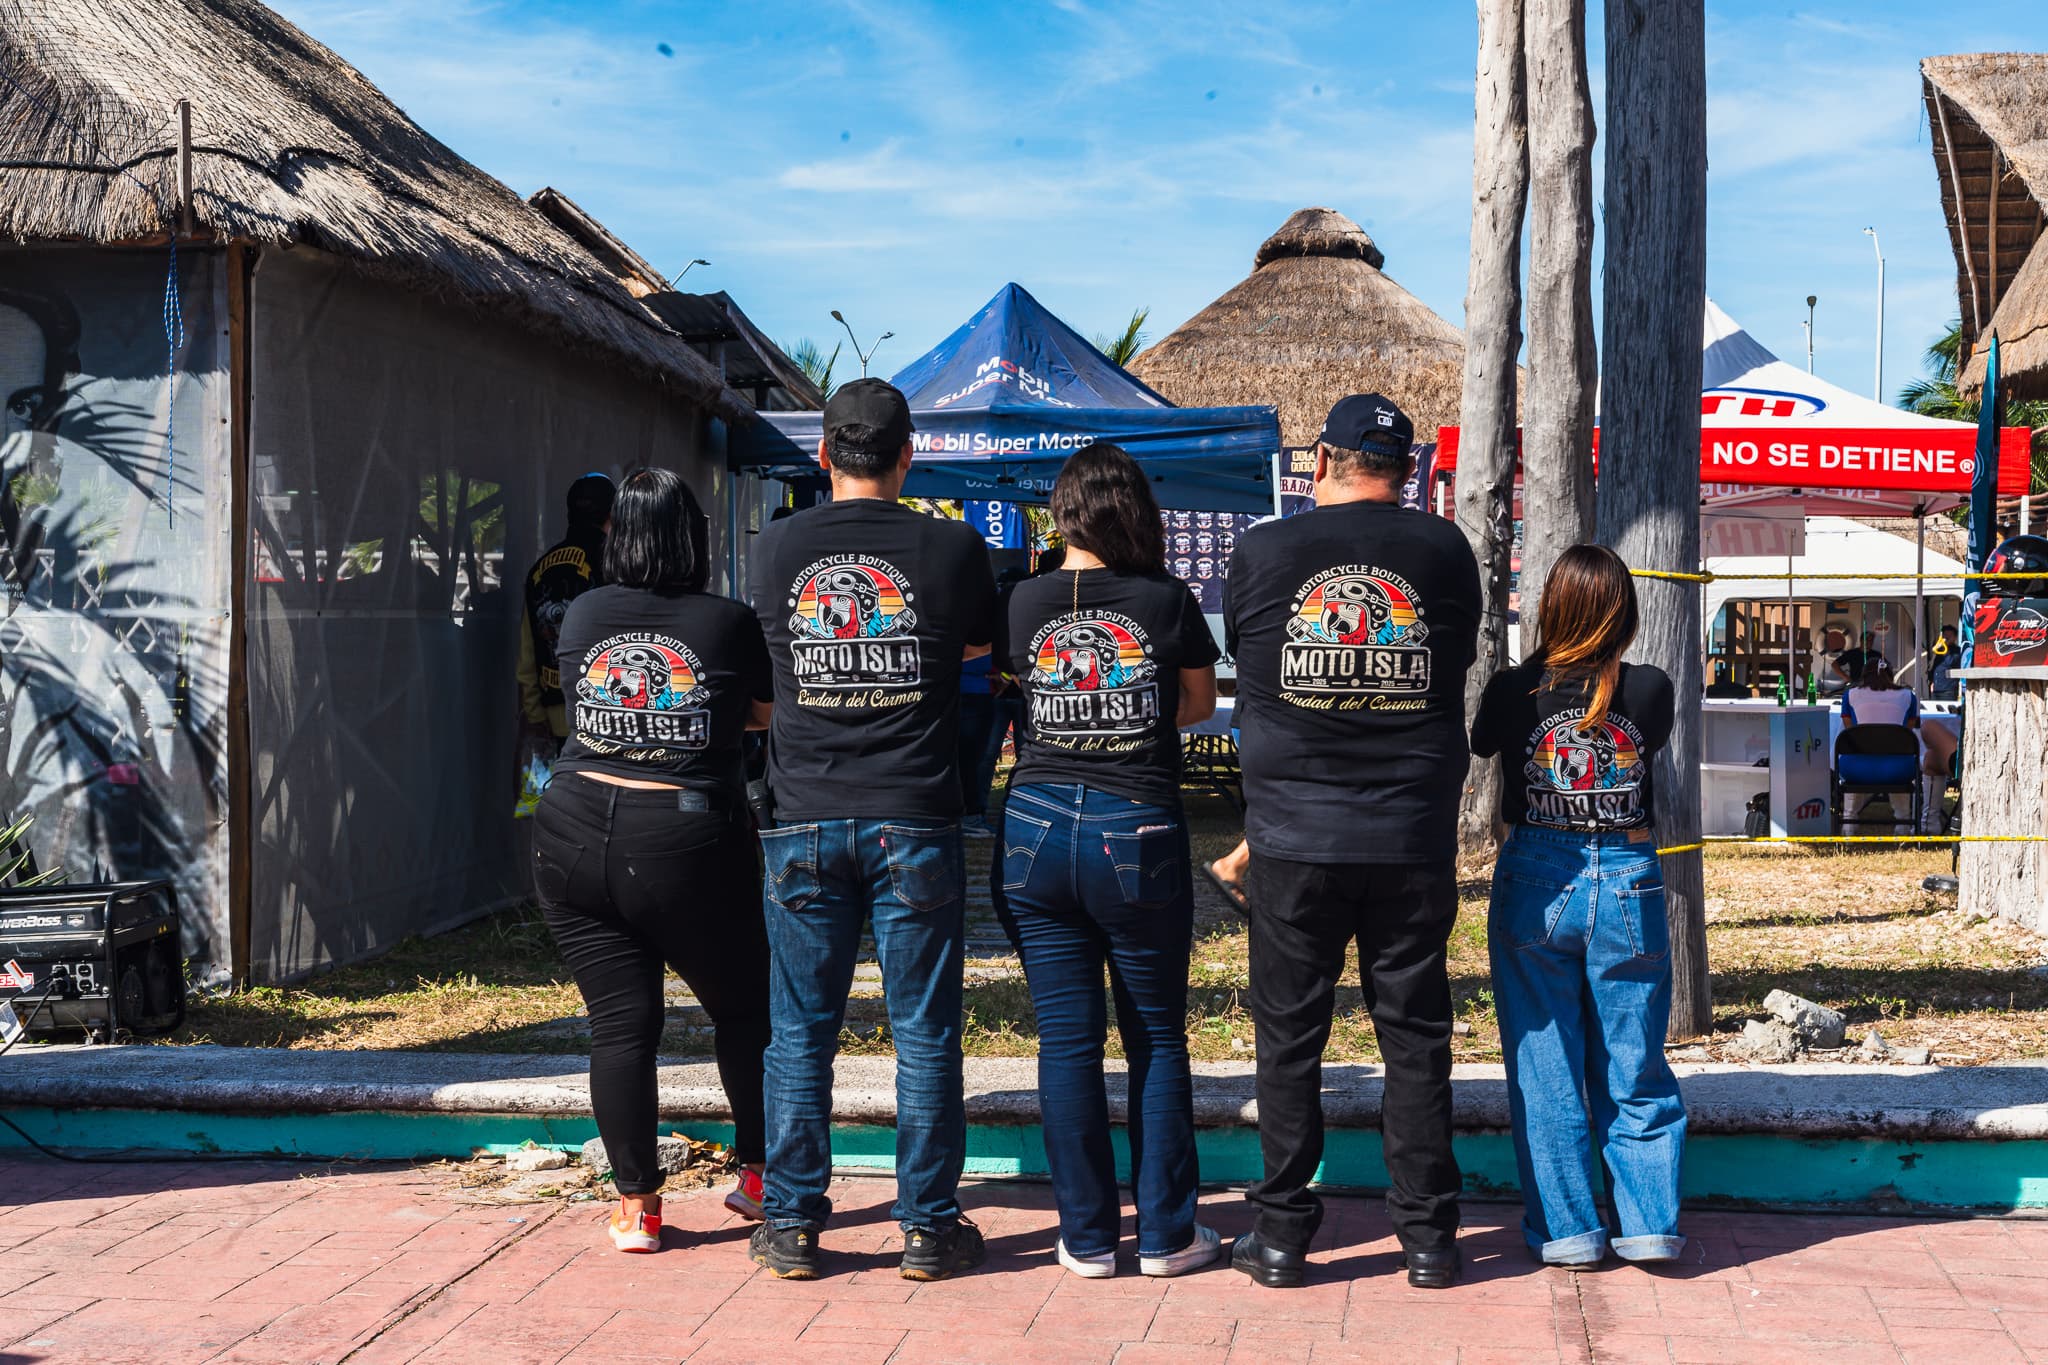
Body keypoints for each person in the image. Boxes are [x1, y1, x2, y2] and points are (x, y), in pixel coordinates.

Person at [1221, 394, 1480, 1291]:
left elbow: (1250, 667)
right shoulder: (1445, 551)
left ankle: (1285, 1237)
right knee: (1415, 1036)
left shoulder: (1261, 551)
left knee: (1289, 1041)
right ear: (1404, 470)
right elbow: (1457, 659)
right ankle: (1428, 1241)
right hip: (1409, 834)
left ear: (1323, 460)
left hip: (1293, 835)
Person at [747, 379, 999, 1282]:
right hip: (914, 817)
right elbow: (976, 646)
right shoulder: (953, 548)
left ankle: (790, 1222)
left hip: (803, 818)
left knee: (800, 1032)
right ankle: (928, 1226)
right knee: (924, 1032)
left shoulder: (772, 550)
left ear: (822, 455)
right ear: (907, 456)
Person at [531, 468, 773, 1254]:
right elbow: (760, 714)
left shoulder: (587, 611)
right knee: (743, 1011)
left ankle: (636, 1206)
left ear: (617, 537)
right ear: (692, 538)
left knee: (621, 1024)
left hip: (569, 832)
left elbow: (582, 700)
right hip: (683, 840)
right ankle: (762, 1177)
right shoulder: (729, 622)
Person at [994, 444, 1222, 1280]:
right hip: (1137, 828)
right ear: (1134, 511)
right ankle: (1166, 1236)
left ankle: (1086, 1238)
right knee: (1156, 1037)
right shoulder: (1165, 599)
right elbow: (1197, 706)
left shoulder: (1023, 601)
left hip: (1036, 827)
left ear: (1064, 514)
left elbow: (1026, 686)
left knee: (1066, 1041)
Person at [1471, 544, 1685, 1269]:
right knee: (1635, 1060)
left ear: (1551, 608)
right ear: (1624, 612)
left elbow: (1480, 742)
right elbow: (1641, 734)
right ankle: (1650, 1223)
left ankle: (1569, 1231)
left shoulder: (1511, 690)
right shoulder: (1651, 689)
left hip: (1538, 874)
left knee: (1546, 1064)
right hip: (1628, 875)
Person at [520, 474, 616, 752]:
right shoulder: (617, 564)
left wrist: (535, 714)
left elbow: (526, 654)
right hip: (607, 718)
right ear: (612, 513)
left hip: (555, 715)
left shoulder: (538, 570)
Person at [1840, 660, 1924, 826]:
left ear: (1864, 675)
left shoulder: (1850, 695)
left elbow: (1850, 730)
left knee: (1853, 753)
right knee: (1902, 755)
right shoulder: (1908, 696)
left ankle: (1848, 825)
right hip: (1898, 768)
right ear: (1891, 674)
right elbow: (1908, 731)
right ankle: (1903, 825)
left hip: (1857, 768)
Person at [1927, 623, 1960, 701]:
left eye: (1949, 636)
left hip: (1948, 690)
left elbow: (1950, 662)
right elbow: (1935, 667)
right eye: (1945, 635)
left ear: (1955, 637)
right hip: (1936, 689)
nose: (1946, 638)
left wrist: (1946, 647)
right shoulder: (1939, 650)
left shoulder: (1957, 651)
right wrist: (1932, 681)